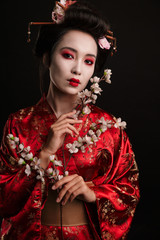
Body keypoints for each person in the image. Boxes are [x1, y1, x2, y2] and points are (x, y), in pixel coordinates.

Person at [0, 1, 140, 239]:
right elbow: (4, 199)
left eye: (88, 61)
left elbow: (129, 191)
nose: (77, 69)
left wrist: (92, 192)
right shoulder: (19, 124)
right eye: (68, 55)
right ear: (47, 57)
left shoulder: (108, 128)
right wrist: (44, 154)